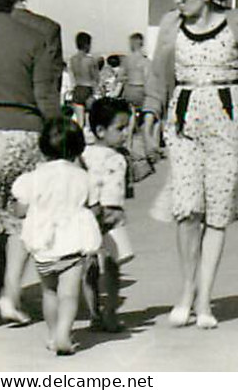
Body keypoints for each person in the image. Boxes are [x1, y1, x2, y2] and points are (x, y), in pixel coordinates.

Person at [142, 0, 238, 330]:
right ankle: (187, 290)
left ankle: (204, 299)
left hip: (228, 120)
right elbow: (158, 77)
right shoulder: (171, 25)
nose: (176, 0)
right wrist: (150, 118)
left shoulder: (236, 23)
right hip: (183, 121)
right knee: (186, 209)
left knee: (217, 211)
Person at [0, 0, 64, 326]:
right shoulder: (45, 30)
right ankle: (9, 293)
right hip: (24, 137)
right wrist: (67, 148)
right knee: (19, 220)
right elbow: (46, 98)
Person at [10, 118, 100, 355]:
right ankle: (64, 333)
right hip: (72, 244)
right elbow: (95, 207)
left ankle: (52, 334)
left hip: (42, 246)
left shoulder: (34, 177)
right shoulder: (82, 177)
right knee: (69, 294)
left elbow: (19, 210)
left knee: (49, 292)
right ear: (79, 147)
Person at [80, 98, 134, 333]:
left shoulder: (83, 154)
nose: (125, 134)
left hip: (85, 215)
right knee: (112, 266)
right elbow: (116, 193)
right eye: (120, 128)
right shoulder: (117, 158)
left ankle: (95, 313)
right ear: (101, 130)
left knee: (89, 266)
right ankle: (110, 311)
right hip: (110, 216)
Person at [119, 33, 149, 113]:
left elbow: (119, 77)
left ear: (131, 44)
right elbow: (147, 79)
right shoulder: (145, 61)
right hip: (141, 90)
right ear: (142, 44)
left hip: (129, 90)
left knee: (130, 112)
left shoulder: (126, 60)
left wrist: (129, 78)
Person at [67, 33, 99, 110]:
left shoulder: (72, 59)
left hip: (77, 89)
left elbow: (72, 75)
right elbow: (96, 78)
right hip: (88, 89)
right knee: (89, 117)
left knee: (79, 120)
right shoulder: (90, 60)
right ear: (87, 45)